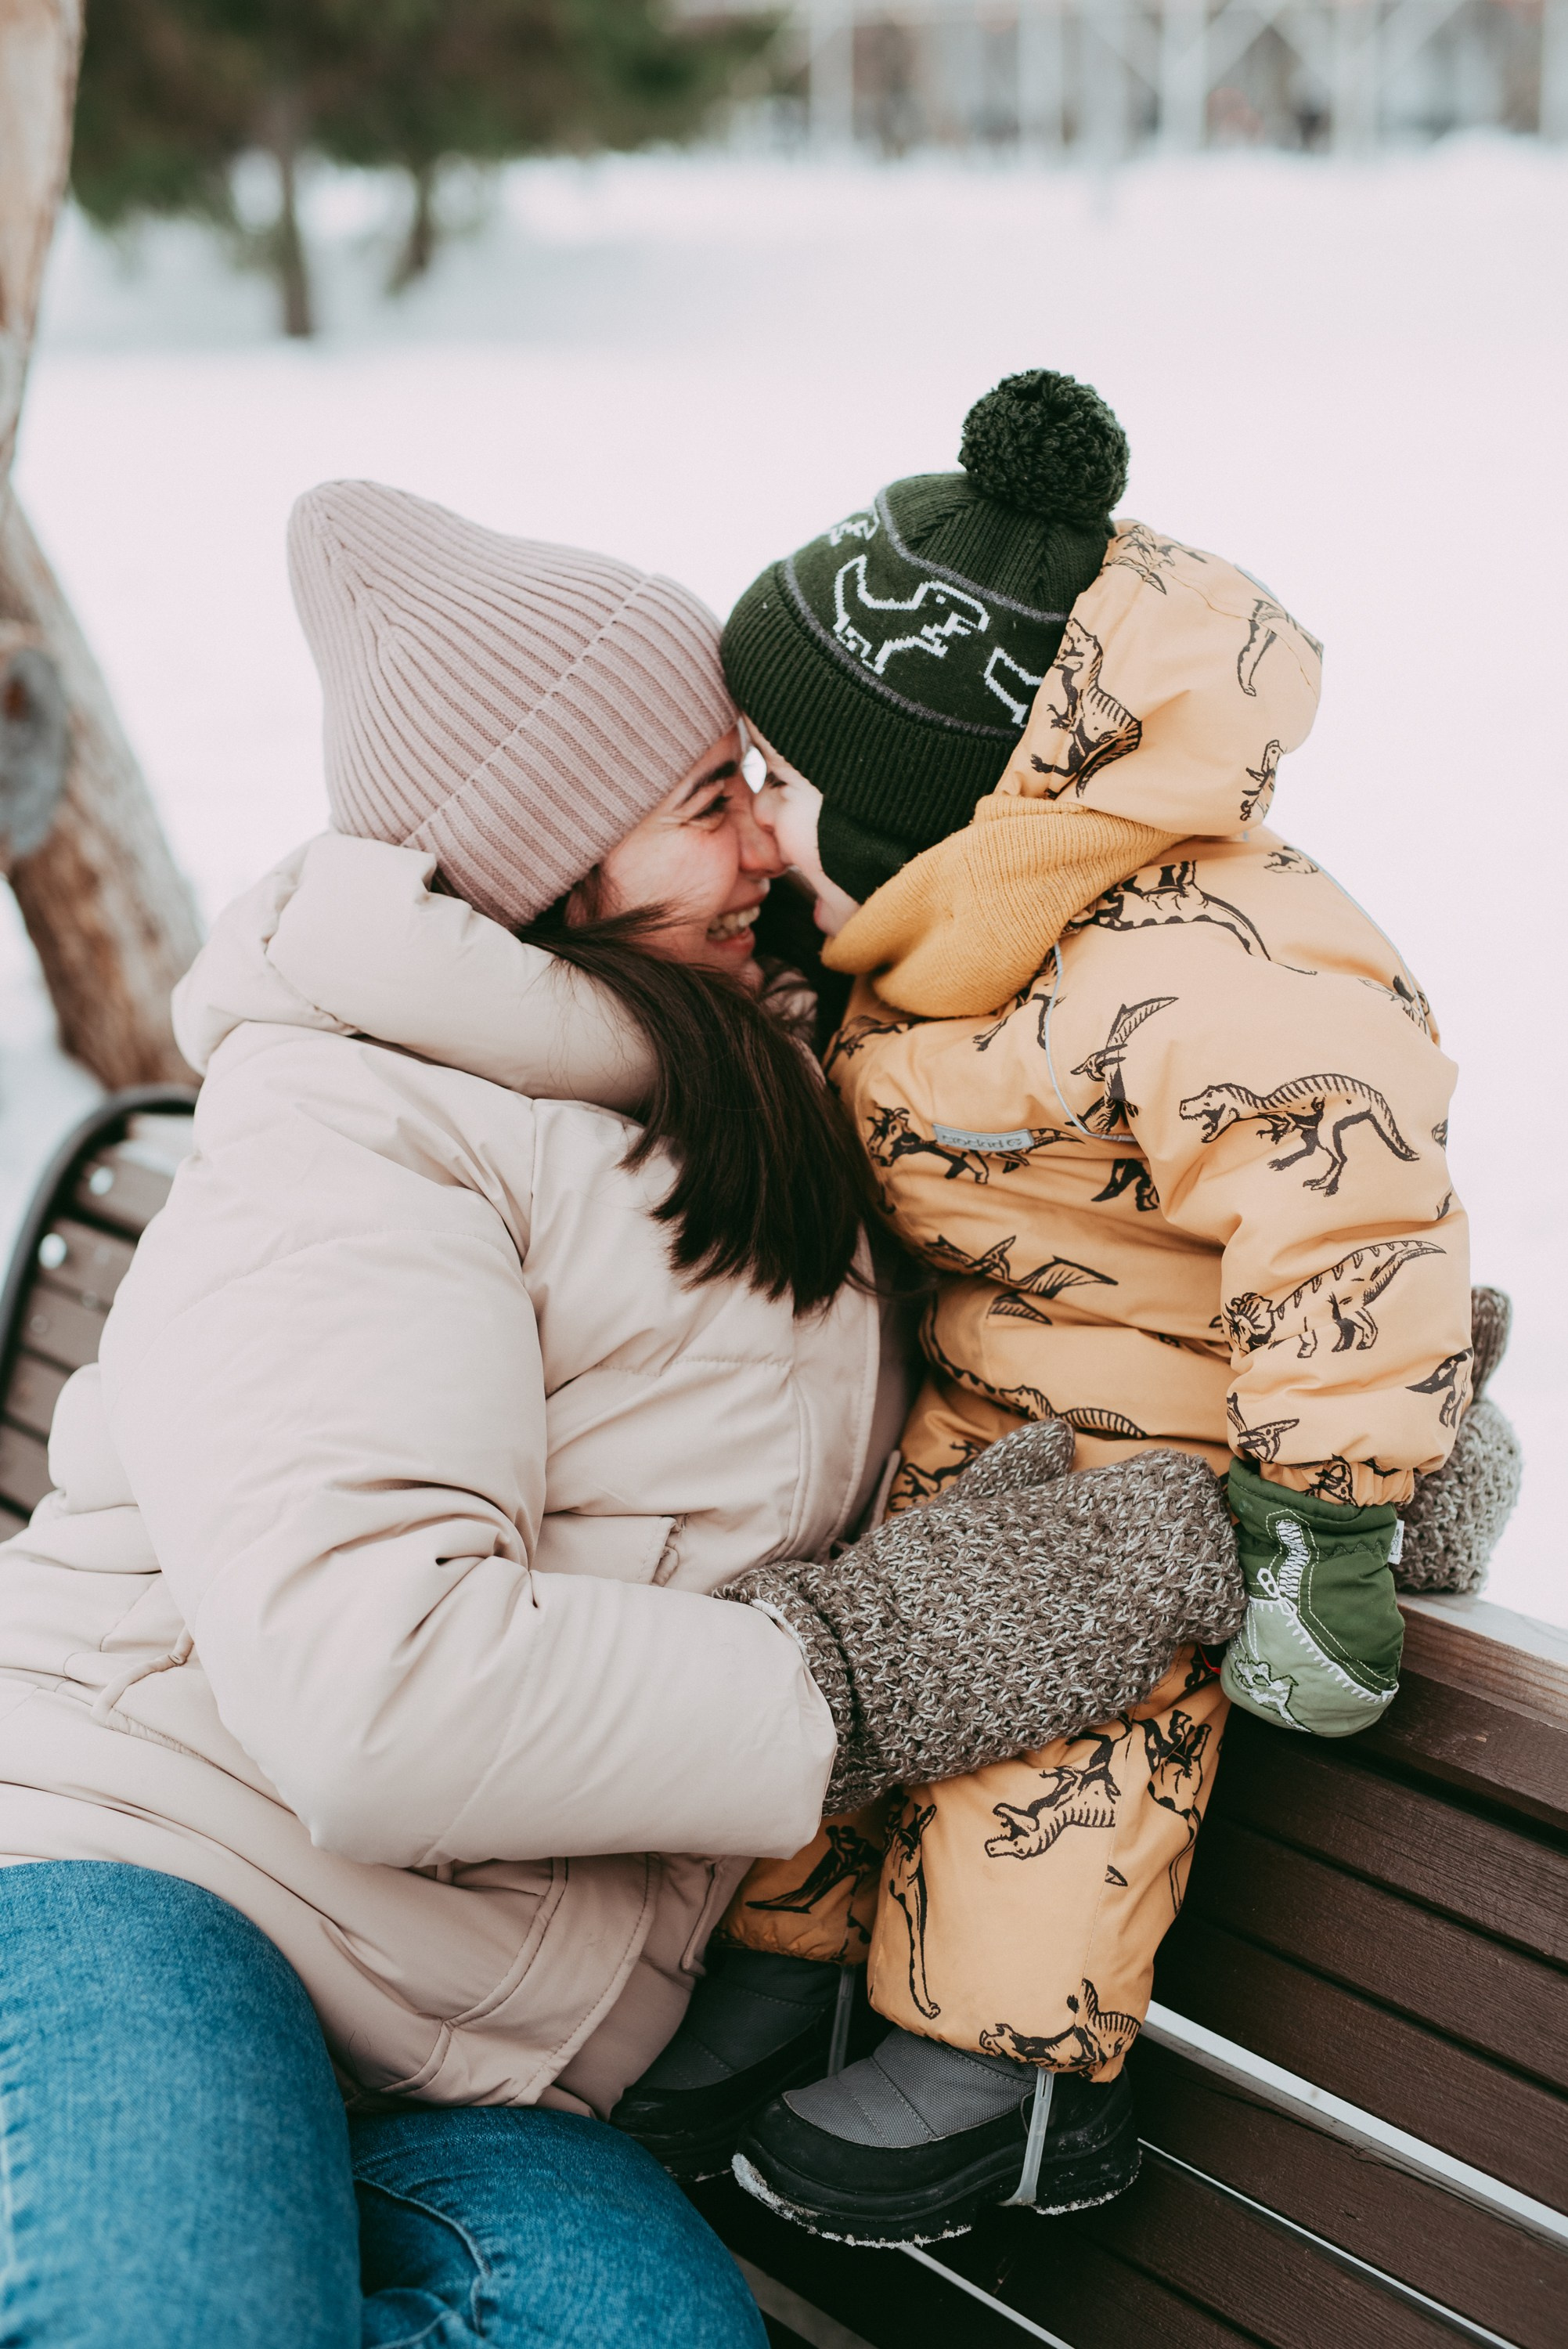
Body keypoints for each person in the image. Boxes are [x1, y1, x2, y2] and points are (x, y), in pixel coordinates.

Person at [0, 479, 1242, 2344]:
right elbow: (376, 1688)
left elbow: (1094, 1267)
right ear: (547, 862)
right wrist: (864, 1671)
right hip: (135, 1886)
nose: (768, 848)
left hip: (479, 2045)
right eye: (705, 806)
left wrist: (1354, 1380)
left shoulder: (753, 1093)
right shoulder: (354, 1121)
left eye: (752, 786)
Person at [614, 370, 1517, 2247]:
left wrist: (1327, 1522)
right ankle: (793, 1964)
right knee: (863, 1637)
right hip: (987, 1389)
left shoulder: (1216, 956)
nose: (759, 826)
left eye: (779, 787)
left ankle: (1009, 2074)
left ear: (923, 798)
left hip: (1188, 1440)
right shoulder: (921, 928)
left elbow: (1351, 1213)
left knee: (1065, 1714)